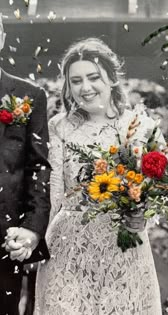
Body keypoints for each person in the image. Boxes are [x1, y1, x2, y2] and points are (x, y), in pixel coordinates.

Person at [34, 37, 164, 315]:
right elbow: (52, 193)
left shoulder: (140, 126)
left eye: (93, 77)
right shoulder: (58, 127)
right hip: (69, 251)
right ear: (68, 87)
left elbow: (159, 190)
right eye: (76, 80)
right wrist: (35, 240)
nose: (86, 87)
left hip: (125, 250)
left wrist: (144, 215)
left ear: (111, 79)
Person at [0, 14, 51, 315]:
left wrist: (32, 229)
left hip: (5, 240)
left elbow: (39, 167)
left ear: (2, 38)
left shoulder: (29, 96)